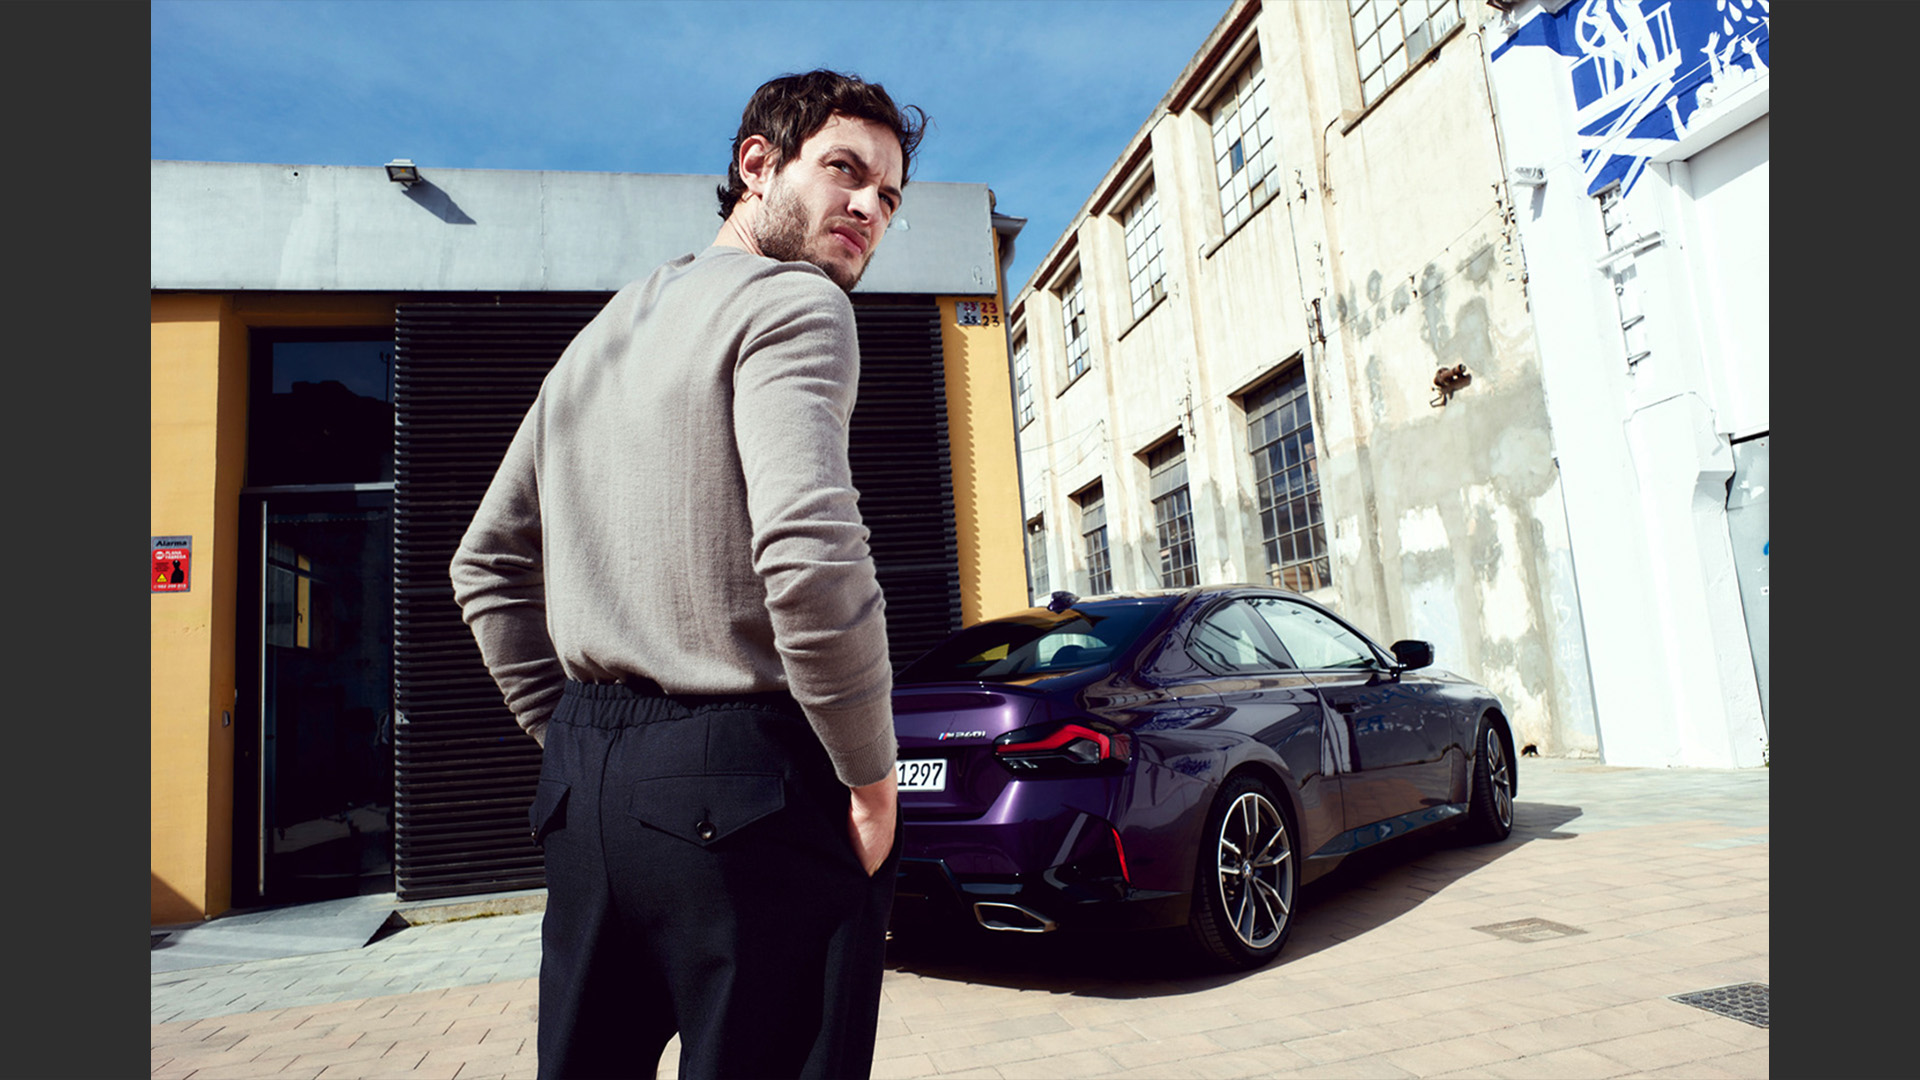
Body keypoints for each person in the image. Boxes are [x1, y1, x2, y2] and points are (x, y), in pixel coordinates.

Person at [449, 70, 925, 1079]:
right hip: (748, 786)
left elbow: (484, 564)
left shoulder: (600, 336)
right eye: (844, 170)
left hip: (585, 792)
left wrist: (575, 736)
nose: (868, 209)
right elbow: (808, 549)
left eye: (888, 196)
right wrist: (871, 777)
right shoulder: (795, 302)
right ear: (758, 163)